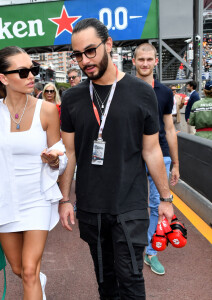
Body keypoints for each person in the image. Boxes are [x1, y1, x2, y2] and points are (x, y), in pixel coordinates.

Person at [59, 18, 174, 299]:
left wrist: (166, 199)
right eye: (77, 54)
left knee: (131, 277)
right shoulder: (72, 98)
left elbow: (151, 150)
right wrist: (64, 199)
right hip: (90, 207)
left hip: (130, 205)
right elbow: (70, 153)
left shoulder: (142, 92)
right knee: (105, 281)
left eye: (90, 51)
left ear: (108, 44)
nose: (85, 60)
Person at [0, 46, 67, 300]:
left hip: (37, 198)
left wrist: (54, 161)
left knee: (28, 271)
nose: (31, 76)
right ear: (3, 78)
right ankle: (39, 281)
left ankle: (34, 280)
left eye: (33, 70)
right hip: (5, 201)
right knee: (18, 268)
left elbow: (62, 154)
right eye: (24, 71)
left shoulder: (46, 110)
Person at [133, 43, 180, 276]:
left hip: (160, 154)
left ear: (156, 61)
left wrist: (176, 163)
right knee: (130, 203)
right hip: (131, 154)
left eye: (149, 59)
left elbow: (170, 128)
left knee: (157, 205)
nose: (145, 63)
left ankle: (151, 252)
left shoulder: (165, 92)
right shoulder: (124, 89)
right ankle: (131, 249)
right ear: (133, 61)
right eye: (140, 59)